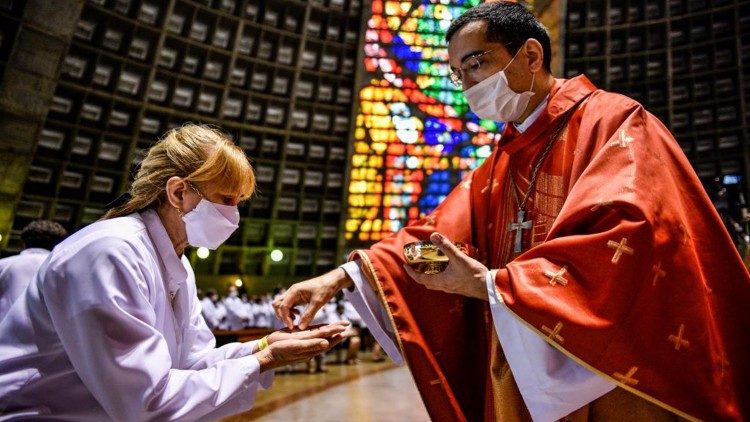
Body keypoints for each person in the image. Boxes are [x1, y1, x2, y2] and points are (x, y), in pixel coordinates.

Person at [274, 3, 750, 421]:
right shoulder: (502, 158)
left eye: (476, 65)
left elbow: (631, 233)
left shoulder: (616, 121)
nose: (467, 86)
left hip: (609, 366)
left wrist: (493, 284)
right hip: (522, 351)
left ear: (530, 55)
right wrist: (342, 275)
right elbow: (437, 233)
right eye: (459, 75)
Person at [0, 124, 347, 420]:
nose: (235, 216)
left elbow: (189, 364)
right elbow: (145, 402)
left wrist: (262, 347)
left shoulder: (177, 263)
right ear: (179, 192)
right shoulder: (110, 252)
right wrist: (264, 359)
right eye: (226, 199)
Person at [0, 220, 67, 321]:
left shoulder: (3, 264)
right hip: (46, 335)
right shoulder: (63, 270)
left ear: (23, 242)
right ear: (59, 244)